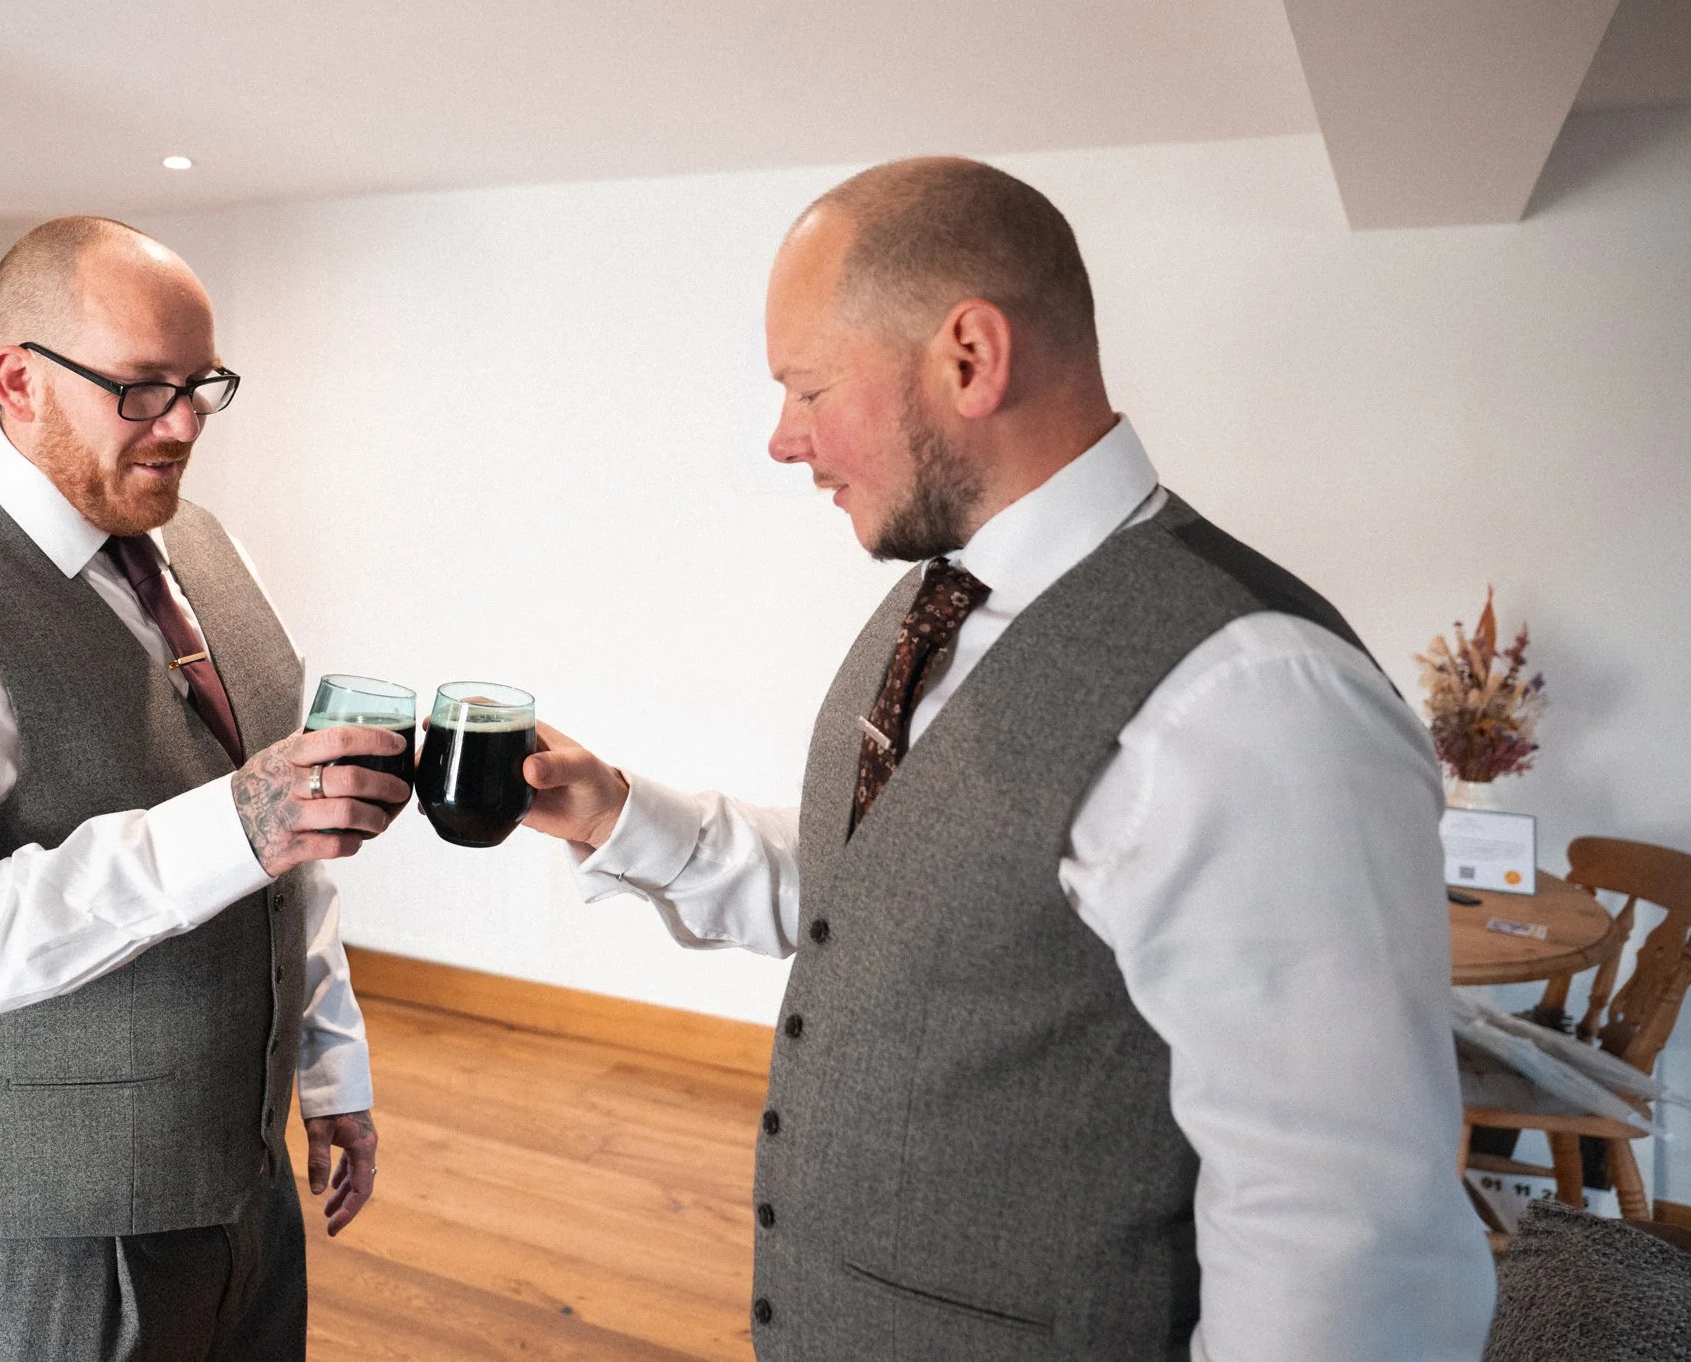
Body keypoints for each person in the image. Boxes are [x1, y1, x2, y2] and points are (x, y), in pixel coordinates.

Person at [519, 159, 1494, 1360]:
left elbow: (1339, 1240)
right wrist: (614, 814)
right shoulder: (945, 601)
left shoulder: (1254, 697)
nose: (782, 439)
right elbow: (889, 906)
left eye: (807, 386)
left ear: (969, 357)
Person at [0, 216, 408, 1362]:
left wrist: (328, 1068)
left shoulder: (209, 549)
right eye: (140, 387)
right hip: (32, 1240)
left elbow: (288, 863)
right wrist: (227, 826)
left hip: (241, 1189)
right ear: (18, 379)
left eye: (200, 383)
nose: (181, 425)